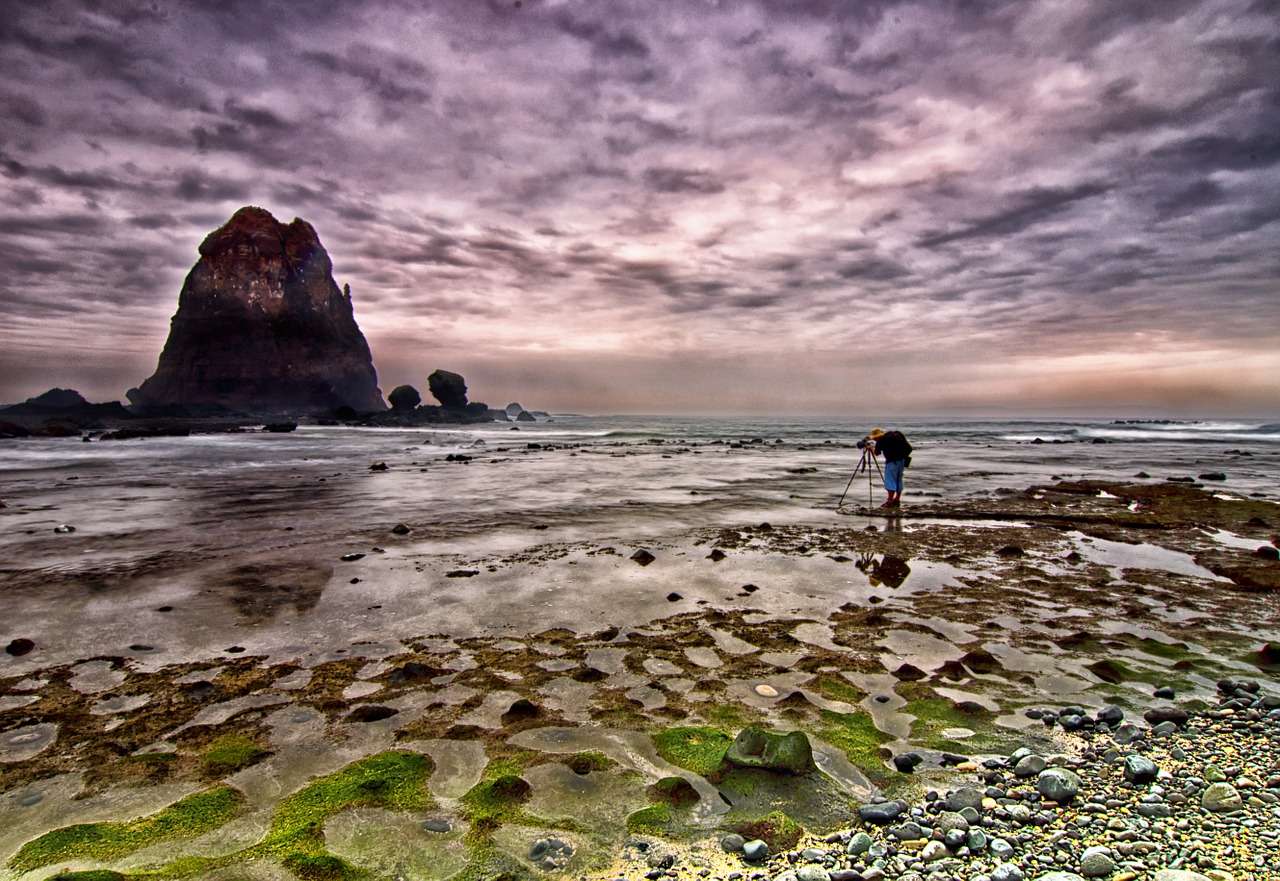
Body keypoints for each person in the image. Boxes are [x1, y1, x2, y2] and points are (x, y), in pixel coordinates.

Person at [865, 427, 912, 507]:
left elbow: (876, 453)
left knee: (890, 481)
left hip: (891, 463)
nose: (874, 440)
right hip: (901, 461)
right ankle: (897, 499)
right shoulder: (892, 437)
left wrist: (870, 448)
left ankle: (890, 501)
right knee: (898, 480)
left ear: (877, 437)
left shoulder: (881, 441)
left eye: (874, 438)